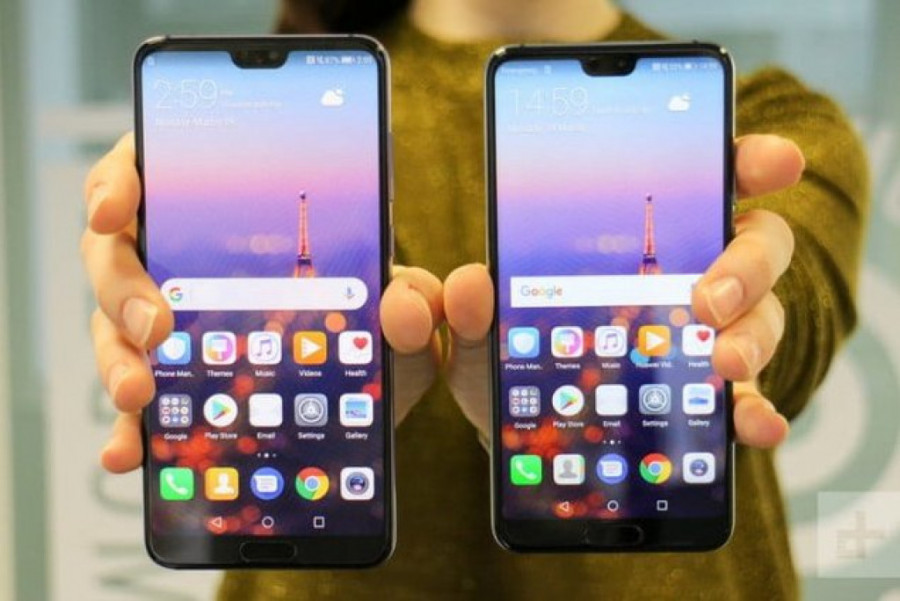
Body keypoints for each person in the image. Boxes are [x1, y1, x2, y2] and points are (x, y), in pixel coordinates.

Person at [80, 0, 869, 598]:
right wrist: (198, 240)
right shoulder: (308, 114)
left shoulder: (763, 121)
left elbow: (796, 303)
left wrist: (746, 320)